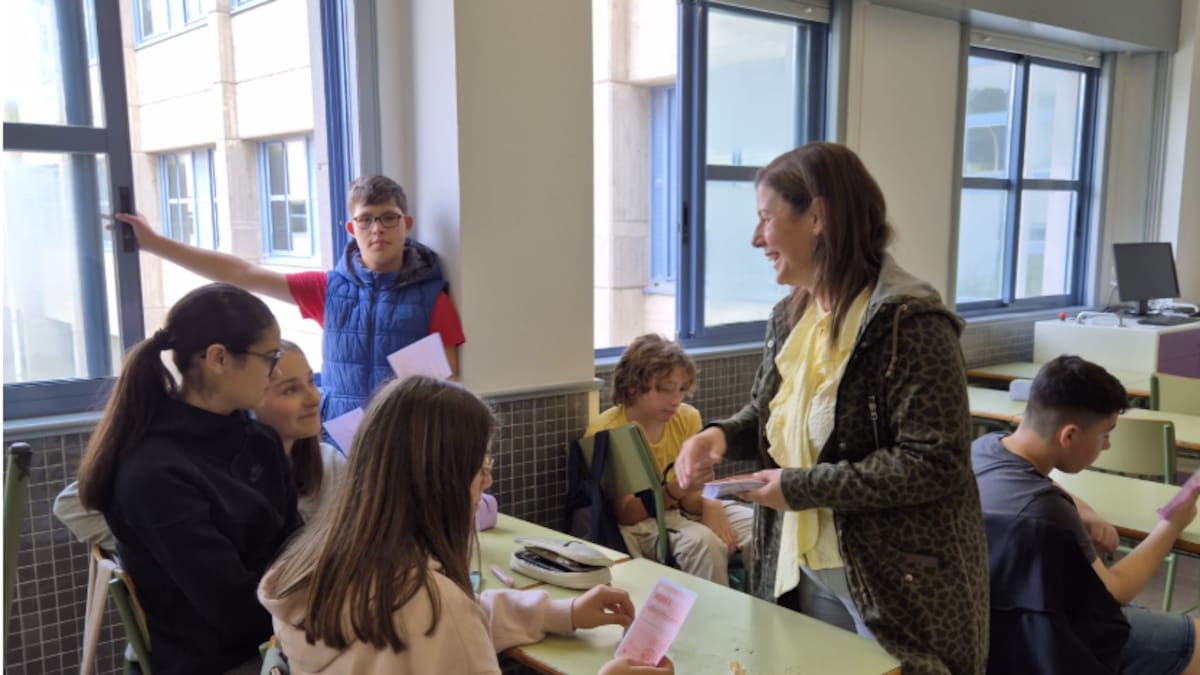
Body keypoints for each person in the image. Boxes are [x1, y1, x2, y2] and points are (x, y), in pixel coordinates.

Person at [674, 142, 988, 674]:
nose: (756, 239)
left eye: (765, 219)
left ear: (817, 216)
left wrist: (799, 488)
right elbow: (769, 414)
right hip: (804, 566)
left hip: (895, 580)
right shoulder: (791, 317)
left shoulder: (907, 323)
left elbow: (934, 462)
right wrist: (718, 437)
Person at [258, 376, 672, 674]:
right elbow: (448, 624)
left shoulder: (317, 564)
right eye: (482, 467)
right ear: (443, 483)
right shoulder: (428, 604)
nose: (487, 481)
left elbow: (459, 625)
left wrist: (562, 613)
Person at [75, 283, 302, 675]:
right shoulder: (153, 473)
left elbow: (297, 546)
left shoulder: (259, 439)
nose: (276, 371)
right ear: (218, 358)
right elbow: (233, 610)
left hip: (278, 632)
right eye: (270, 357)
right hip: (220, 658)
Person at [115, 174, 466, 422]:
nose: (377, 230)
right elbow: (242, 275)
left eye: (388, 219)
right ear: (351, 228)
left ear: (406, 223)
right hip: (336, 448)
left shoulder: (433, 299)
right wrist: (154, 244)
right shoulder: (328, 290)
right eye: (366, 220)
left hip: (401, 448)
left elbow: (446, 388)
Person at [973, 355, 1200, 675]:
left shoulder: (983, 448)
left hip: (999, 630)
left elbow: (1030, 480)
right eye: (1105, 434)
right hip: (1062, 642)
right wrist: (1170, 525)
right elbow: (1114, 592)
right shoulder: (1048, 513)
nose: (1107, 446)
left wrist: (1084, 509)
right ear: (1069, 436)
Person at [54, 339, 346, 548]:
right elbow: (70, 506)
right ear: (247, 399)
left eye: (311, 382)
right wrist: (158, 544)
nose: (314, 398)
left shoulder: (330, 463)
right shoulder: (187, 469)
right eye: (290, 389)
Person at [584, 334, 752, 586]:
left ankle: (767, 613)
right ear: (633, 387)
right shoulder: (609, 431)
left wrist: (711, 505)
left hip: (679, 509)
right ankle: (712, 622)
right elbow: (628, 514)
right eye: (664, 389)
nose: (676, 400)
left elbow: (693, 495)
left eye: (681, 389)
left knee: (761, 528)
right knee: (705, 544)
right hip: (640, 523)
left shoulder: (687, 417)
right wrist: (676, 490)